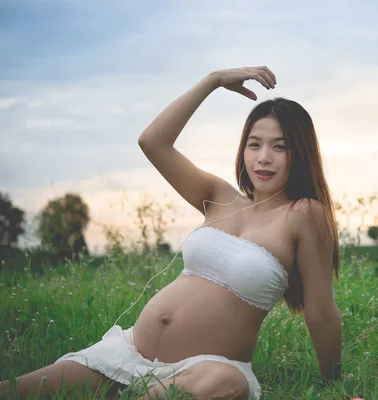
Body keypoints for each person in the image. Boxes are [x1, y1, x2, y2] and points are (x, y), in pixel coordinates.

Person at [0, 66, 343, 400]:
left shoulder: (304, 214)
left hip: (205, 370)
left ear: (300, 153)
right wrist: (213, 80)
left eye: (279, 147)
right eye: (254, 145)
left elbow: (321, 311)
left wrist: (333, 385)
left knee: (226, 380)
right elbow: (153, 142)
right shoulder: (220, 196)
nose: (263, 158)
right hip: (125, 354)